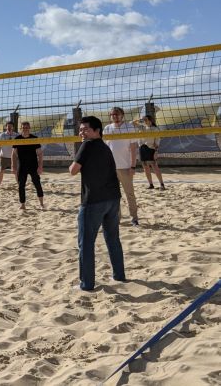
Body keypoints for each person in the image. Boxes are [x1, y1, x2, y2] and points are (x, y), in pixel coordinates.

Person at [69, 116, 126, 291]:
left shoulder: (86, 145)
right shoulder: (105, 146)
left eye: (85, 129)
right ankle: (119, 275)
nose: (82, 132)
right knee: (113, 239)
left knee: (86, 243)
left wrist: (81, 149)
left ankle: (86, 285)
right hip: (113, 199)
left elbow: (73, 170)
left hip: (94, 201)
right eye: (80, 129)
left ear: (97, 131)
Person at [104, 107, 139, 226]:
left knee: (129, 194)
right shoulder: (107, 129)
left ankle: (134, 218)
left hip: (126, 167)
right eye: (112, 114)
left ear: (122, 115)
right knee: (114, 196)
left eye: (117, 114)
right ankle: (116, 218)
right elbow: (105, 149)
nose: (115, 116)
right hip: (110, 168)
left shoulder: (129, 127)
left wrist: (133, 166)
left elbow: (134, 148)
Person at [11, 122, 44, 209]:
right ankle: (22, 204)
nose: (25, 129)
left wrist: (40, 166)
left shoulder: (34, 138)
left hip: (33, 165)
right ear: (21, 129)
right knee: (21, 185)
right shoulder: (17, 139)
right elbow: (14, 154)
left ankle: (41, 203)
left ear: (29, 128)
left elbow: (40, 154)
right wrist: (13, 166)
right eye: (23, 127)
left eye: (27, 127)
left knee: (37, 184)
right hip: (22, 166)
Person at [132, 115, 165, 190]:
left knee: (155, 166)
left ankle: (162, 184)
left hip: (151, 148)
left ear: (150, 120)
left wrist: (156, 152)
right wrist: (139, 119)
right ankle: (151, 184)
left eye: (145, 119)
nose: (144, 121)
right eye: (143, 120)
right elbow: (131, 123)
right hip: (142, 148)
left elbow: (157, 140)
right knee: (145, 167)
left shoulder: (155, 129)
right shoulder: (142, 127)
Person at [0, 122, 17, 188]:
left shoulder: (16, 135)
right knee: (1, 171)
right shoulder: (2, 135)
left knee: (16, 172)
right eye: (8, 126)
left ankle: (20, 185)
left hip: (14, 157)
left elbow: (19, 146)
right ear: (6, 127)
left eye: (11, 126)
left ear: (13, 127)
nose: (9, 127)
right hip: (4, 156)